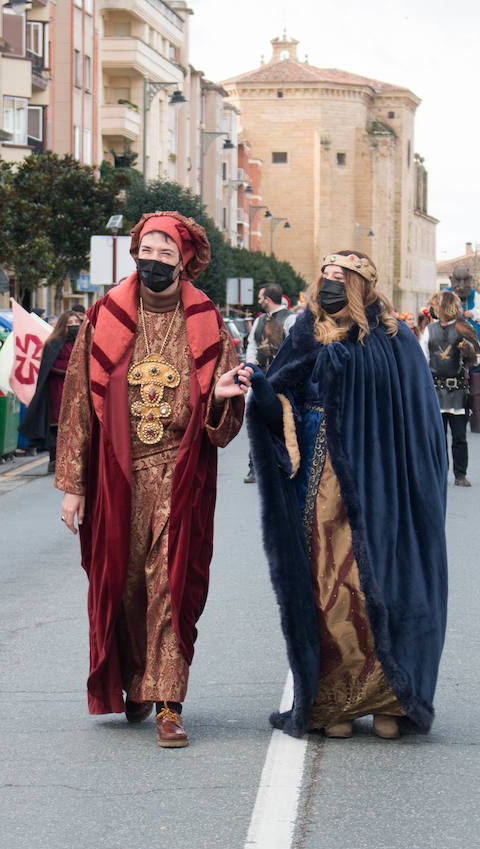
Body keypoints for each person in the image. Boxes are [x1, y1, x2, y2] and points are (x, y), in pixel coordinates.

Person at [54, 211, 249, 749]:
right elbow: (77, 402)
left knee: (171, 581)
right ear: (135, 252)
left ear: (184, 260)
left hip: (180, 473)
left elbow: (222, 426)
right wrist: (74, 482)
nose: (156, 262)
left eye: (168, 254)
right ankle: (136, 682)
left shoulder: (207, 319)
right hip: (119, 475)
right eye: (149, 251)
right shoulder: (106, 315)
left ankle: (168, 701)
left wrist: (226, 400)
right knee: (125, 583)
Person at [247, 250, 448, 740]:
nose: (330, 283)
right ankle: (333, 699)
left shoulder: (393, 337)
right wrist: (258, 389)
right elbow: (282, 393)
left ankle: (390, 698)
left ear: (361, 285)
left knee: (380, 578)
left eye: (342, 277)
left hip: (381, 480)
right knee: (327, 581)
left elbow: (417, 419)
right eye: (326, 275)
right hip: (319, 480)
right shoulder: (303, 331)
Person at [19, 307, 85, 474]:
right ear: (63, 325)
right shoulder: (53, 343)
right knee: (58, 427)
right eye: (70, 323)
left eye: (77, 322)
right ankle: (55, 459)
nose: (74, 325)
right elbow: (52, 365)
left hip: (78, 391)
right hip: (57, 391)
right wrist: (72, 367)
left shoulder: (84, 341)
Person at [425, 289, 479, 486]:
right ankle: (440, 473)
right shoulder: (429, 330)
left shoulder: (464, 328)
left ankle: (460, 474)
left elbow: (478, 356)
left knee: (459, 437)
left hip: (457, 390)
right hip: (435, 391)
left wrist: (469, 352)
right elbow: (424, 359)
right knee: (437, 438)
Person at [243, 284, 293, 483]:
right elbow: (252, 346)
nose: (258, 301)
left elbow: (296, 348)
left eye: (260, 297)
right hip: (260, 380)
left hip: (282, 382)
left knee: (285, 425)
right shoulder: (259, 321)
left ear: (268, 299)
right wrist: (250, 365)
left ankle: (285, 466)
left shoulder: (290, 320)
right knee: (256, 423)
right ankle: (254, 468)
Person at [450, 267, 480, 434]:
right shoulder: (447, 294)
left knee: (476, 389)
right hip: (451, 340)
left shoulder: (474, 295)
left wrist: (471, 312)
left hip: (475, 343)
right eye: (458, 280)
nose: (462, 285)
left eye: (465, 280)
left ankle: (478, 423)